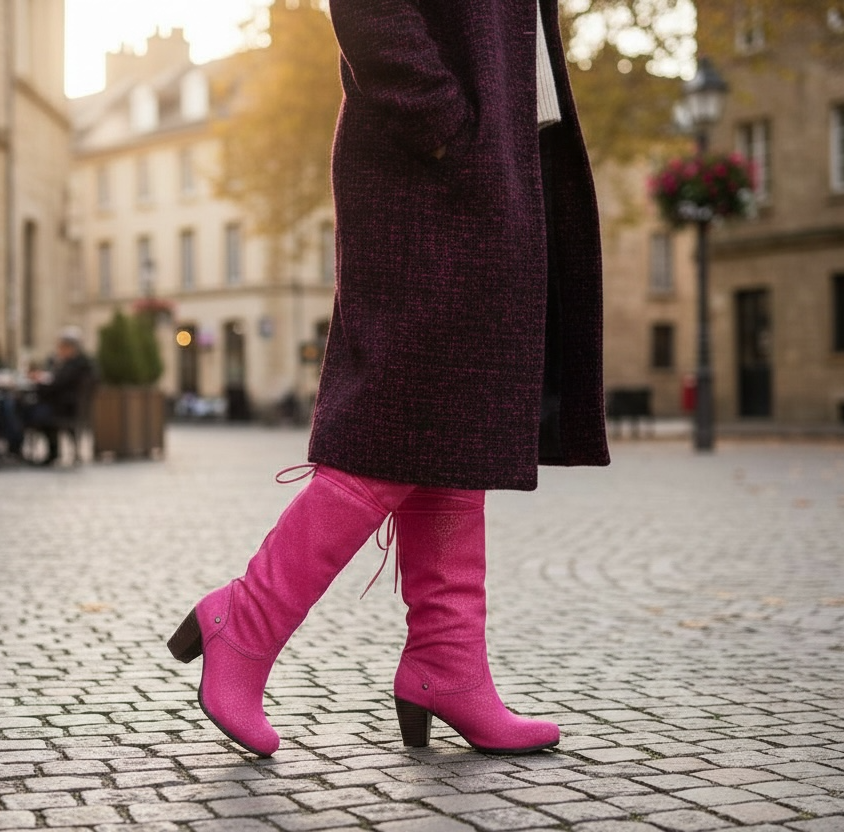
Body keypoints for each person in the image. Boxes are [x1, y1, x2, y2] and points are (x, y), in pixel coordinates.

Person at [166, 0, 608, 758]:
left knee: (455, 413)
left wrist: (491, 147)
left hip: (502, 162)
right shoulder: (442, 143)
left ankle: (448, 663)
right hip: (431, 169)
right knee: (394, 415)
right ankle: (246, 621)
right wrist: (449, 130)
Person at [21, 327, 95, 465]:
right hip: (63, 405)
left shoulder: (76, 364)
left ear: (71, 348)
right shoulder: (68, 362)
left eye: (62, 346)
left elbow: (56, 383)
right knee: (32, 410)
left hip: (65, 407)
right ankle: (51, 451)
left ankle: (50, 451)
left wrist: (40, 381)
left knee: (30, 413)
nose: (59, 349)